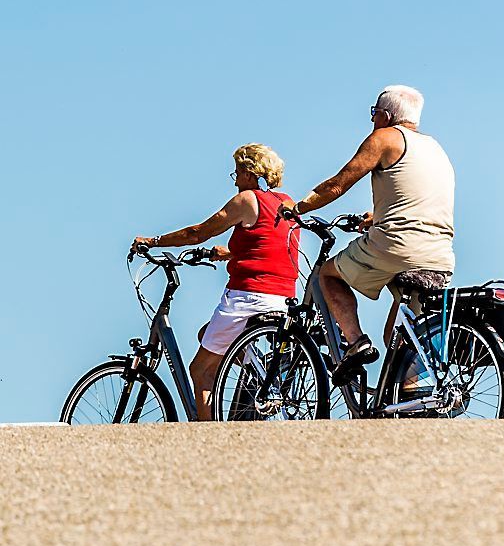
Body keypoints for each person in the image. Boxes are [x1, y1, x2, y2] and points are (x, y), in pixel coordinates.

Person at [285, 85, 455, 375]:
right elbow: (419, 199)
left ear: (386, 115)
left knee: (327, 274)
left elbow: (338, 184)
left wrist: (298, 208)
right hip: (439, 254)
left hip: (397, 245)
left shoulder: (385, 138)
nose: (372, 120)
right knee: (398, 342)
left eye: (374, 113)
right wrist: (378, 216)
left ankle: (355, 342)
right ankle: (410, 404)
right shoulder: (435, 148)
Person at [132, 144, 300, 421]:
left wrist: (154, 241)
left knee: (201, 369)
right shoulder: (287, 202)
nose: (234, 178)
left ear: (249, 172)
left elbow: (198, 233)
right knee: (206, 335)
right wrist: (231, 252)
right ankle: (257, 369)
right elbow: (270, 244)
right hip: (282, 296)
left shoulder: (246, 200)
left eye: (236, 171)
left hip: (248, 295)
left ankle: (207, 433)